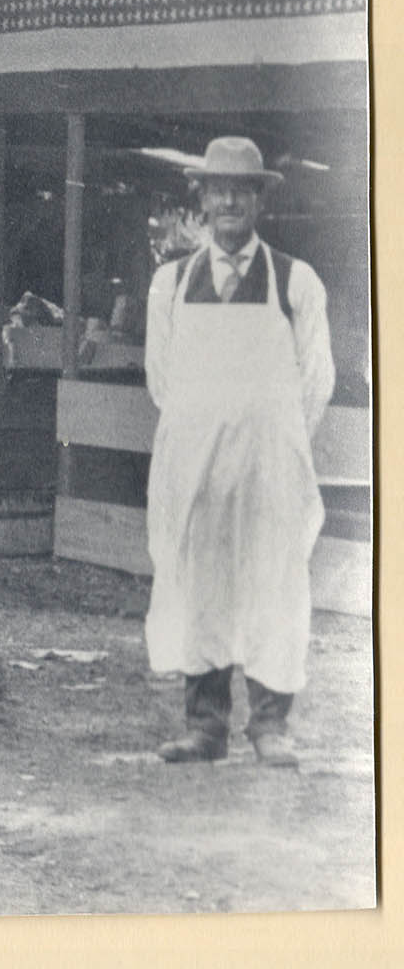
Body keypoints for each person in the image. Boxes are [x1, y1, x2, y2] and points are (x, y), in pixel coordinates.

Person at [143, 136, 334, 767]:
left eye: (242, 190)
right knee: (201, 585)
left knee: (273, 585)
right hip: (197, 470)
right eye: (217, 189)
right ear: (199, 198)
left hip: (269, 469)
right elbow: (162, 379)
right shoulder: (170, 284)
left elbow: (317, 380)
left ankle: (271, 725)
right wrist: (208, 432)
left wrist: (272, 440)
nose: (228, 200)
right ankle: (205, 726)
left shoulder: (294, 281)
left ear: (259, 201)